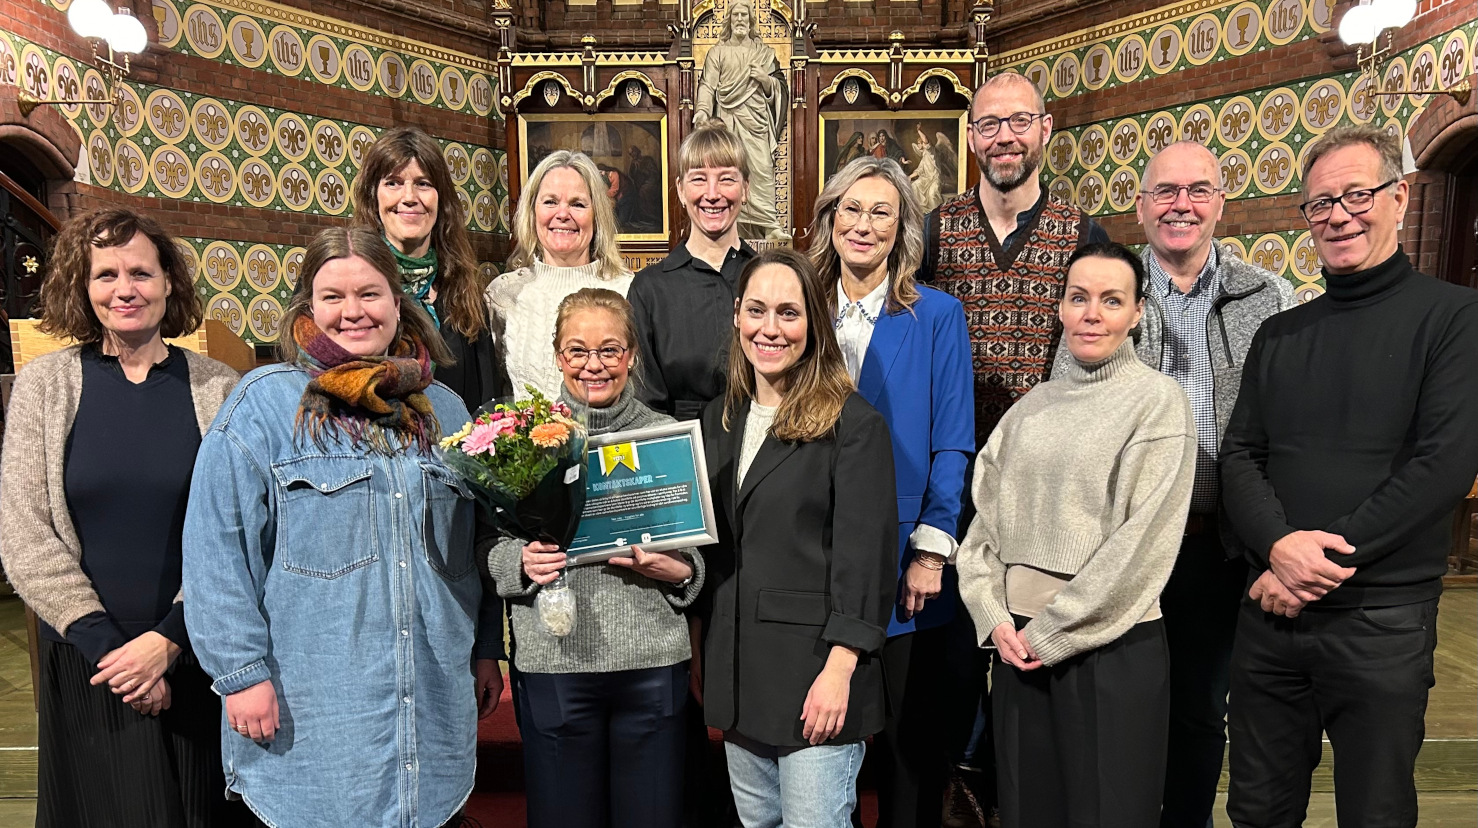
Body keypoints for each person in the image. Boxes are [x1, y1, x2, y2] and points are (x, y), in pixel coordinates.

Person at [181, 228, 504, 828]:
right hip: (316, 715)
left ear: (398, 300)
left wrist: (487, 648)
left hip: (430, 703)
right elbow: (216, 551)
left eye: (370, 293)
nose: (353, 312)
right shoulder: (266, 408)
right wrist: (241, 672)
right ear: (307, 306)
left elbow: (475, 544)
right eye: (333, 296)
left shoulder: (449, 411)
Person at [1221, 125, 1478, 828]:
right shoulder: (1281, 333)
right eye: (1320, 203)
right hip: (1271, 614)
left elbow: (1443, 465)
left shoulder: (1456, 319)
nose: (1338, 215)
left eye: (1356, 195)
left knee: (1375, 810)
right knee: (1257, 809)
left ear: (1398, 197)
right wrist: (1277, 550)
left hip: (1381, 619)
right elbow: (1241, 454)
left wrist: (1313, 560)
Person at [0, 208, 247, 827]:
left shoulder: (221, 388)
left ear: (169, 283)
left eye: (141, 271)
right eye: (105, 275)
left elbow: (246, 532)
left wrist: (168, 642)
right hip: (90, 663)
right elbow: (25, 536)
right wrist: (118, 656)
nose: (124, 289)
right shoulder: (45, 386)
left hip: (198, 653)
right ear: (82, 289)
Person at [957, 242, 1196, 828]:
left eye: (1111, 301)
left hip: (1108, 648)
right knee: (1025, 812)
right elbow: (983, 526)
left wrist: (1054, 631)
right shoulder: (1030, 407)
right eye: (1078, 297)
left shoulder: (1157, 402)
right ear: (1061, 308)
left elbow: (1143, 545)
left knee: (1106, 813)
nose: (1092, 313)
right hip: (1018, 649)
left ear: (1138, 312)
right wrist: (992, 615)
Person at [1115, 140, 1294, 828]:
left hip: (1217, 545)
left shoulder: (1268, 297)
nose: (1180, 205)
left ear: (1221, 202)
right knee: (1127, 703)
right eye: (1164, 192)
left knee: (1199, 709)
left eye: (1196, 191)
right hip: (1127, 546)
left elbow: (1292, 422)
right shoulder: (1110, 288)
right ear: (1141, 207)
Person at [484, 288, 705, 828]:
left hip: (651, 661)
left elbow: (695, 560)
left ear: (631, 355)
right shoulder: (522, 440)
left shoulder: (665, 437)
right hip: (556, 660)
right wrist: (519, 563)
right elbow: (488, 549)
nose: (594, 365)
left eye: (610, 350)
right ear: (558, 356)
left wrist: (679, 571)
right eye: (577, 351)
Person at [700, 248, 897, 828]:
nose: (770, 328)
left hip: (816, 678)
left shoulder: (853, 424)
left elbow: (866, 562)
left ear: (814, 322)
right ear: (737, 316)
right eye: (757, 310)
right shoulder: (719, 417)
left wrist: (840, 671)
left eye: (789, 313)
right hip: (739, 676)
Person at [810, 157, 974, 828]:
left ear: (903, 226)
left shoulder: (937, 315)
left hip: (908, 563)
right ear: (830, 217)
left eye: (882, 211)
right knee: (824, 740)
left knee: (909, 748)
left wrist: (931, 553)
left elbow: (952, 441)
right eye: (851, 208)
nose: (864, 224)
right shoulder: (801, 308)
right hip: (814, 555)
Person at [920, 70, 1109, 447]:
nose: (1005, 137)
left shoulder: (1084, 236)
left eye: (1020, 120)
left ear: (1045, 128)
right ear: (971, 137)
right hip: (951, 456)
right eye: (989, 124)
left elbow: (1102, 358)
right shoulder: (932, 231)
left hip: (1047, 455)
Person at [351, 126, 501, 412]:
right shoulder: (345, 281)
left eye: (423, 183)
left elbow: (485, 406)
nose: (409, 197)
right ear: (374, 196)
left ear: (441, 198)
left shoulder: (463, 290)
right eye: (393, 183)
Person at [630, 124, 757, 421]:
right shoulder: (649, 289)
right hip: (679, 446)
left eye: (726, 179)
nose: (712, 194)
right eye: (698, 179)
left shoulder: (770, 278)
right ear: (681, 190)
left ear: (746, 189)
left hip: (764, 444)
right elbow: (645, 401)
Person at [486, 150, 633, 400]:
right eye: (550, 202)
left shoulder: (630, 290)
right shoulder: (503, 293)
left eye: (577, 204)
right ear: (532, 212)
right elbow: (497, 392)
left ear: (597, 215)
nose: (563, 214)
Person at [693, 0, 789, 240]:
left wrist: (766, 81)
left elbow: (781, 89)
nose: (739, 19)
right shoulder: (718, 52)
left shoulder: (764, 53)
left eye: (744, 15)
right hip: (727, 121)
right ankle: (727, 223)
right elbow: (707, 85)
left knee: (761, 169)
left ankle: (769, 225)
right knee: (728, 170)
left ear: (750, 21)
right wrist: (703, 111)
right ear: (729, 20)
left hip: (756, 124)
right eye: (735, 15)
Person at [909, 128, 943, 212]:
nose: (919, 145)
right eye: (918, 144)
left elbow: (925, 140)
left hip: (934, 179)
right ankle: (920, 212)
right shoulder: (924, 156)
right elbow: (919, 170)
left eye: (920, 143)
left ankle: (936, 214)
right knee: (915, 185)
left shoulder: (931, 152)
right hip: (925, 179)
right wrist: (909, 177)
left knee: (932, 195)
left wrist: (918, 131)